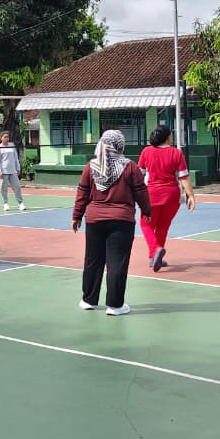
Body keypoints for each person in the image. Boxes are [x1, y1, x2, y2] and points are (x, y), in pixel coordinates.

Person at [72, 130, 151, 315]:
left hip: (94, 220)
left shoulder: (91, 167)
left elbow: (82, 193)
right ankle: (115, 306)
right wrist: (147, 211)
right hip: (122, 221)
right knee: (117, 262)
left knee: (93, 260)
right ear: (120, 146)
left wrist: (77, 216)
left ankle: (88, 300)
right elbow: (141, 192)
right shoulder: (130, 167)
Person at [138, 125, 197, 271]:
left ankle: (155, 250)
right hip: (172, 196)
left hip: (152, 195)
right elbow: (184, 177)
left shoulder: (146, 151)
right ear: (167, 137)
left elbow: (139, 174)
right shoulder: (176, 153)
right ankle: (154, 258)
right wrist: (191, 195)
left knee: (146, 224)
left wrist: (137, 194)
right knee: (163, 227)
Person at [0, 130, 26, 211]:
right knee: (3, 189)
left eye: (8, 137)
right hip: (3, 172)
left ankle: (20, 203)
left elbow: (16, 157)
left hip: (13, 171)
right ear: (1, 138)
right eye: (5, 137)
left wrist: (18, 168)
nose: (7, 138)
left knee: (17, 187)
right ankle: (5, 203)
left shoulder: (12, 145)